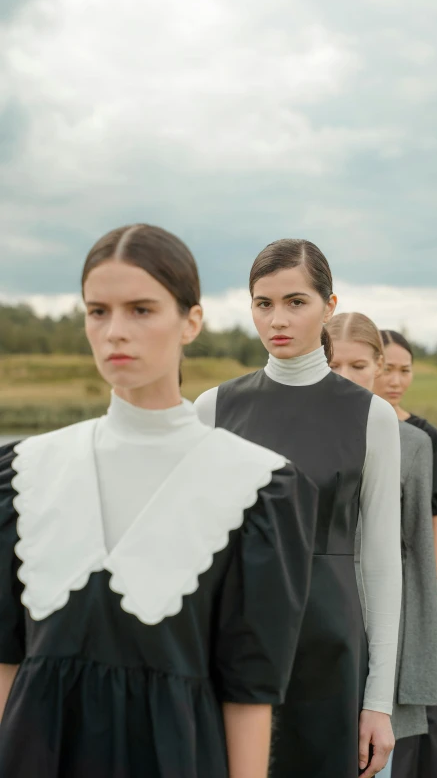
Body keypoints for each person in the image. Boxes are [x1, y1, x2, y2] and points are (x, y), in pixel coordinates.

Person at [0, 224, 319, 778]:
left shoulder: (256, 486)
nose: (115, 331)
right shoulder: (24, 473)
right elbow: (6, 666)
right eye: (98, 311)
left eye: (141, 309)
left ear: (190, 321)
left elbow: (249, 694)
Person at [195, 239, 402, 778]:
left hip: (330, 650)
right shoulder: (213, 408)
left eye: (296, 301)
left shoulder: (372, 416)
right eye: (264, 304)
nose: (277, 319)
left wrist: (378, 702)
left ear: (329, 306)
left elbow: (380, 564)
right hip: (230, 648)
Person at [327, 313, 437, 778]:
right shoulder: (300, 432)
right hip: (321, 608)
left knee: (372, 753)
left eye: (358, 366)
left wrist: (422, 641)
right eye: (333, 365)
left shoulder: (414, 444)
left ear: (378, 365)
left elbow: (418, 545)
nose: (346, 378)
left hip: (384, 613)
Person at [374, 329, 437, 778]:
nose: (394, 379)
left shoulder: (423, 439)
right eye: (386, 368)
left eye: (404, 370)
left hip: (411, 584)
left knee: (421, 696)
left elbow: (433, 530)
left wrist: (436, 602)